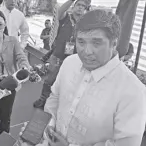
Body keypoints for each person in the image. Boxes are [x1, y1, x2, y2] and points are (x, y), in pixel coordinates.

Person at [19, 10, 146, 146]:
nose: (86, 51)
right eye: (81, 42)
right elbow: (55, 98)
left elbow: (126, 144)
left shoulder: (134, 91)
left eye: (96, 43)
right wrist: (45, 130)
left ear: (114, 43)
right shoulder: (70, 63)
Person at [0, 9, 31, 146]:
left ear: (5, 24)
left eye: (0, 25)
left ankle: (3, 143)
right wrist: (0, 76)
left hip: (11, 84)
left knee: (6, 117)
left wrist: (25, 66)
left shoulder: (13, 40)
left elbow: (20, 56)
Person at [33, 0, 91, 109]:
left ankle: (62, 103)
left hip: (75, 58)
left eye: (83, 6)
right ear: (74, 7)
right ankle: (43, 99)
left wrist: (89, 4)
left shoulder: (85, 23)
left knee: (70, 82)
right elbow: (59, 12)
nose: (80, 8)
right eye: (78, 5)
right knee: (50, 79)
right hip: (58, 55)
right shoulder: (66, 18)